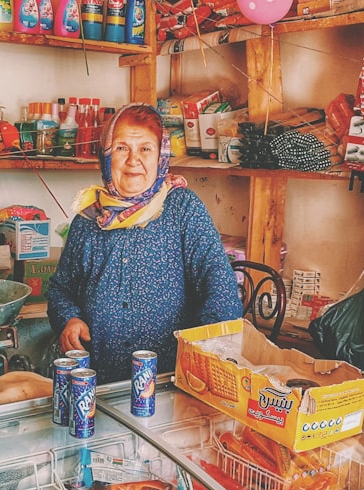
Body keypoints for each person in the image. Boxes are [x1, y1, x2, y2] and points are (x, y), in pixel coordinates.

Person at [46, 103, 243, 384]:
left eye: (145, 149)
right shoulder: (88, 219)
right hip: (98, 384)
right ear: (105, 155)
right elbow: (60, 290)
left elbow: (221, 292)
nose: (133, 160)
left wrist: (202, 357)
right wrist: (69, 319)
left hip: (170, 382)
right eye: (121, 148)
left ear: (160, 156)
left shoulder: (182, 210)